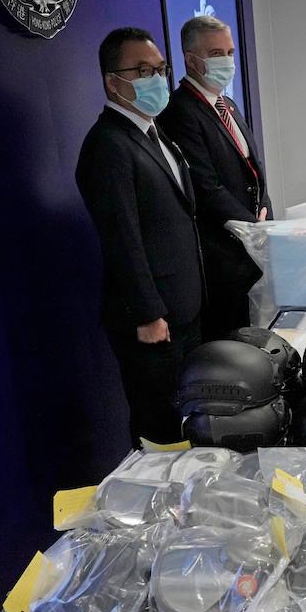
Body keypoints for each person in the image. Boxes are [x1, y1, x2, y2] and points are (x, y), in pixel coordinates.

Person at [76, 27, 203, 446]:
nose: (156, 80)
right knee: (158, 423)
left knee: (183, 414)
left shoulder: (152, 131)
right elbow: (121, 237)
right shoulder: (108, 145)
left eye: (161, 70)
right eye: (143, 71)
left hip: (182, 307)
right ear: (113, 81)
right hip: (152, 319)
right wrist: (148, 314)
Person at [158, 15, 271, 339]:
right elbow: (206, 188)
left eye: (231, 52)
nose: (228, 61)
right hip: (222, 258)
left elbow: (252, 167)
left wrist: (264, 210)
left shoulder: (227, 104)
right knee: (231, 343)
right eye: (217, 53)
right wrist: (251, 225)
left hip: (250, 246)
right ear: (192, 60)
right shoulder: (180, 112)